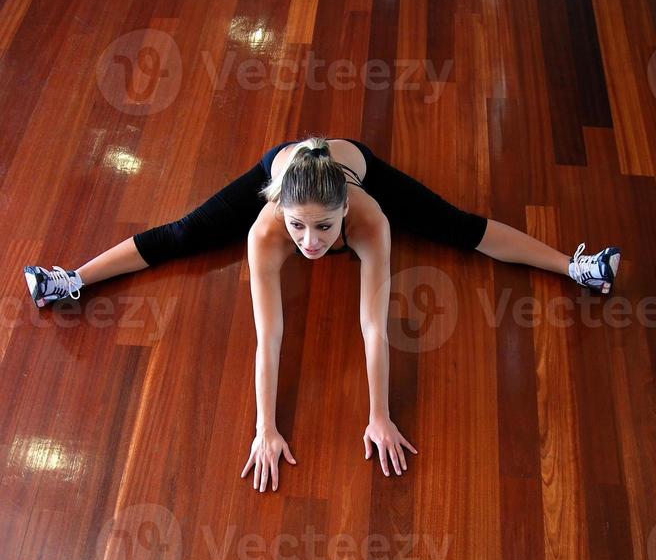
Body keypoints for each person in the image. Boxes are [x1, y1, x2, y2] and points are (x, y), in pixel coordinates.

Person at [23, 136, 621, 492]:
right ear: (279, 210)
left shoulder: (369, 217)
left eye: (323, 228)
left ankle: (576, 267)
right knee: (186, 233)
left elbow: (374, 327)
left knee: (456, 226)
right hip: (281, 161)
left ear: (345, 216)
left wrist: (379, 416)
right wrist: (265, 427)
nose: (310, 242)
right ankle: (71, 279)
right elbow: (269, 339)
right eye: (298, 226)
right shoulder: (265, 230)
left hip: (348, 159)